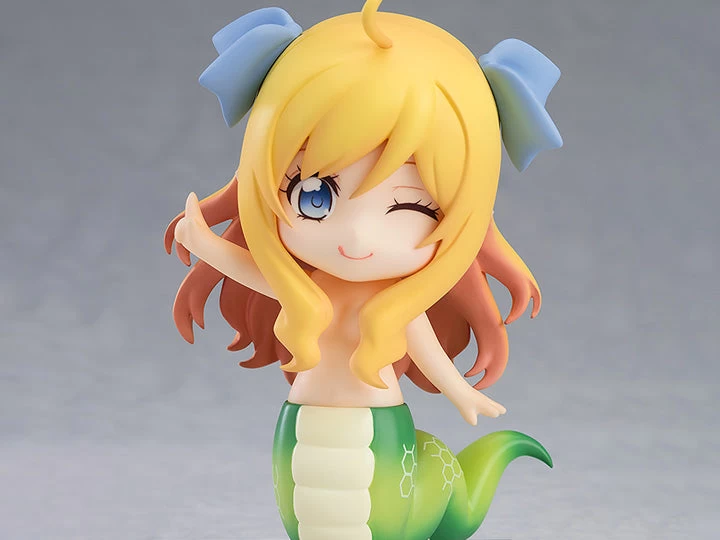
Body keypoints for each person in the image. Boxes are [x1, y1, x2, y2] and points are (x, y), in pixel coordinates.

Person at [164, 1, 563, 538]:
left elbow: (424, 345)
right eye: (314, 196)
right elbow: (254, 271)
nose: (356, 236)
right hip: (303, 425)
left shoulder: (393, 306)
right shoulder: (303, 289)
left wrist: (459, 390)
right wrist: (204, 244)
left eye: (413, 207)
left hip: (376, 428)